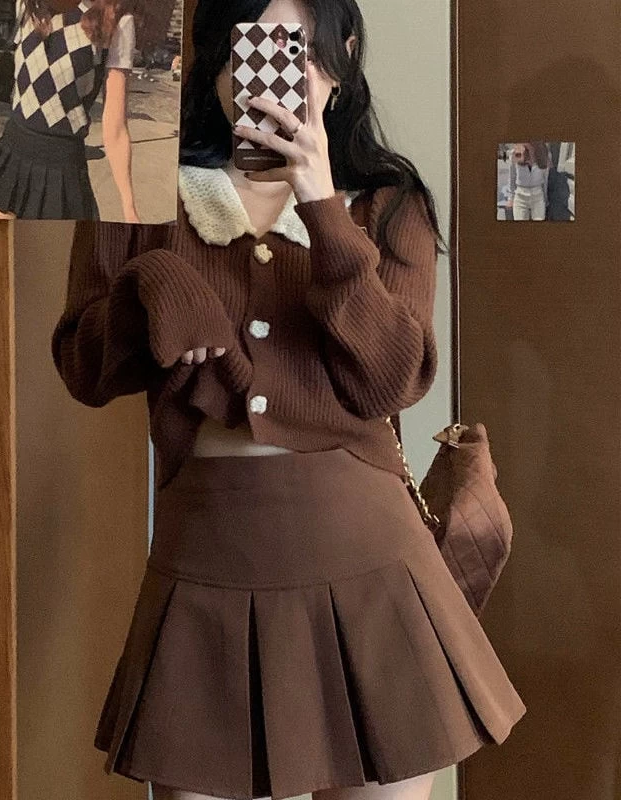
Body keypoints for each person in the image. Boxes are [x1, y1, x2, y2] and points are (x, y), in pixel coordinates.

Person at [51, 1, 527, 798]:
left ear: (341, 59)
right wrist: (149, 286)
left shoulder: (389, 203)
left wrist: (322, 203)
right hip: (207, 566)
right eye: (254, 43)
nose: (275, 68)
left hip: (373, 567)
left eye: (300, 46)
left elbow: (394, 379)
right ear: (217, 60)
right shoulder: (137, 179)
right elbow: (82, 366)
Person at [0, 0, 141, 221]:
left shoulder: (117, 19)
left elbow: (116, 128)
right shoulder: (30, 6)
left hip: (60, 168)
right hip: (13, 151)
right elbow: (19, 89)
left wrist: (129, 209)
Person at [508, 141, 550, 221]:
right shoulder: (515, 153)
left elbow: (545, 179)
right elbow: (512, 177)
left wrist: (545, 198)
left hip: (538, 196)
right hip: (520, 196)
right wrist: (511, 198)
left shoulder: (544, 153)